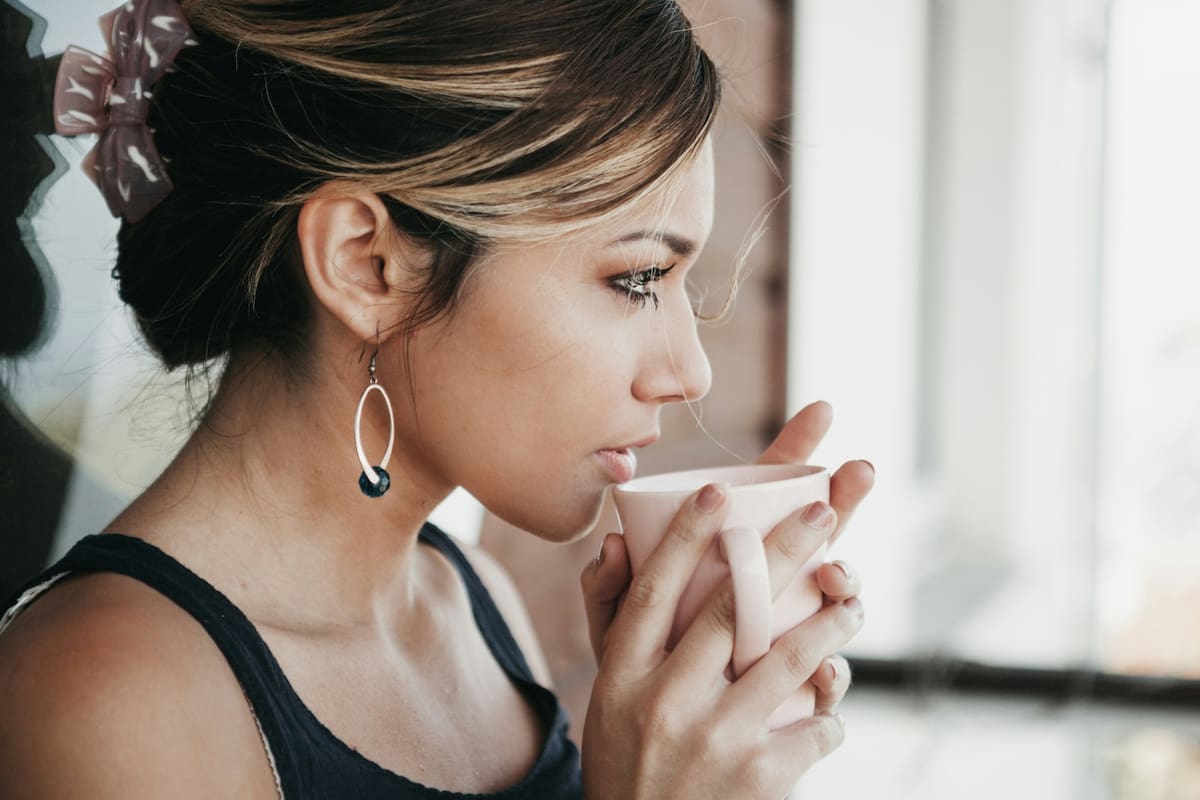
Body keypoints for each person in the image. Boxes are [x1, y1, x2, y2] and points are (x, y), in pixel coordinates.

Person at [0, 0, 873, 797]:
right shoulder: (110, 694)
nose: (690, 373)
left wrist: (680, 733)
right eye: (637, 277)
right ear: (366, 265)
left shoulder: (472, 603)